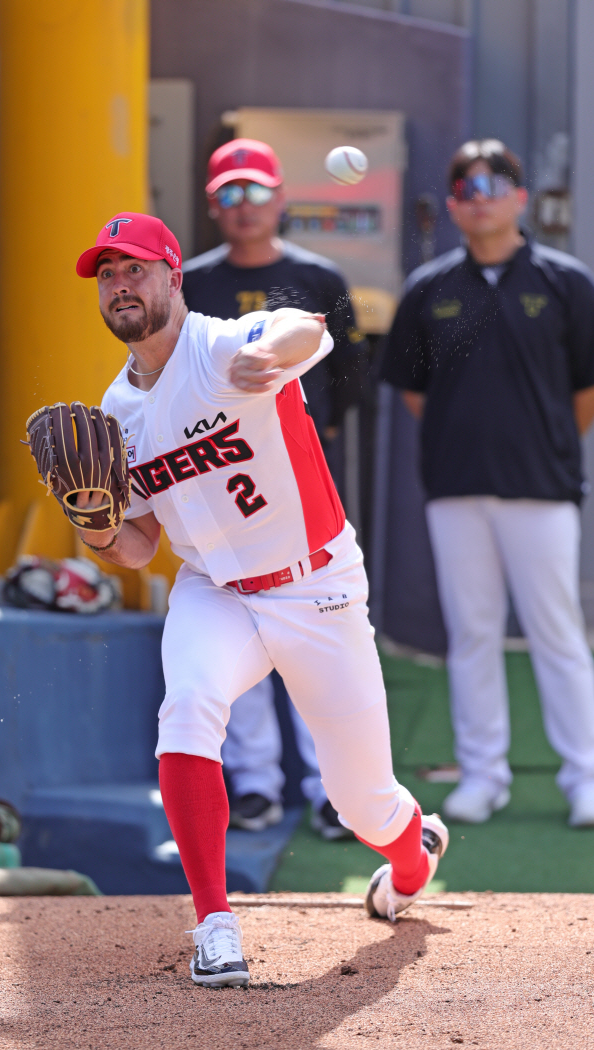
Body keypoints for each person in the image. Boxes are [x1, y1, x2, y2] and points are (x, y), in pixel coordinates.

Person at [68, 210, 448, 987]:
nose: (119, 286)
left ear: (174, 276)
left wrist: (273, 353)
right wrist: (99, 532)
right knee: (188, 705)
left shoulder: (224, 343)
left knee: (363, 804)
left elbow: (307, 330)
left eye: (134, 268)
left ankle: (413, 858)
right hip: (215, 589)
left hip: (315, 583)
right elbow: (137, 546)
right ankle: (214, 922)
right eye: (107, 275)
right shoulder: (116, 414)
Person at [380, 138, 594, 828]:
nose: (481, 195)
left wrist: (541, 441)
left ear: (521, 197)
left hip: (544, 490)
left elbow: (586, 392)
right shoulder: (428, 290)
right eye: (466, 185)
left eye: (496, 180)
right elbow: (415, 392)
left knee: (557, 632)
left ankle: (585, 778)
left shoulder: (567, 283)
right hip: (456, 490)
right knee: (470, 633)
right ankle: (482, 776)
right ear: (452, 206)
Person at [183, 137, 363, 839]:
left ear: (280, 198)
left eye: (256, 191)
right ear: (212, 206)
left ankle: (331, 792)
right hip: (214, 488)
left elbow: (349, 381)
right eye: (230, 194)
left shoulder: (319, 278)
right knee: (235, 628)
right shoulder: (191, 282)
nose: (245, 206)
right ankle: (254, 786)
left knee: (315, 633)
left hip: (300, 487)